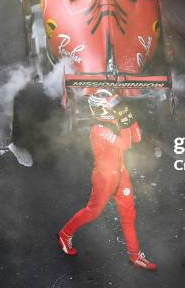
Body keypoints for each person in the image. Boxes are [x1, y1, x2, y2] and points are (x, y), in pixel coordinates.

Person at [58, 89, 157, 271]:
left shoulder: (114, 121)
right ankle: (64, 234)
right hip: (104, 178)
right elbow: (125, 144)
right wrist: (125, 123)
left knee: (129, 216)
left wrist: (130, 118)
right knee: (92, 212)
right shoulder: (98, 130)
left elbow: (136, 138)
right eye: (114, 107)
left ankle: (135, 256)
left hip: (121, 174)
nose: (117, 110)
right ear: (101, 109)